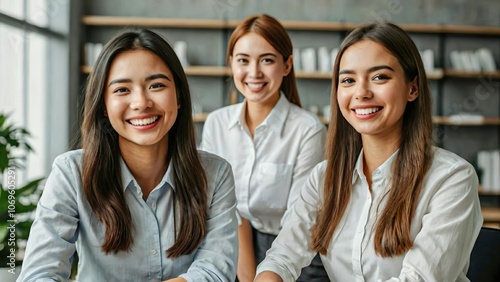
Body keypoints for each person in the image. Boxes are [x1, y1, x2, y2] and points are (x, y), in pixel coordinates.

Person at [255, 21, 483, 282]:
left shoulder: (452, 179)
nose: (361, 92)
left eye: (379, 77)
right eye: (348, 80)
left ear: (412, 88)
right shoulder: (324, 178)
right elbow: (282, 256)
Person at [18, 28, 238, 282]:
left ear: (178, 96)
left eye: (156, 85)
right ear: (103, 105)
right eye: (122, 90)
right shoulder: (71, 173)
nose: (141, 102)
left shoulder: (215, 174)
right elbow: (40, 274)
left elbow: (214, 271)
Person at [200, 14, 328, 282]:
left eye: (267, 60)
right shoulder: (217, 123)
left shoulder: (308, 130)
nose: (254, 72)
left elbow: (300, 221)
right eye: (243, 60)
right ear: (231, 64)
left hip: (295, 254)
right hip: (231, 244)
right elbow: (216, 205)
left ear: (286, 65)